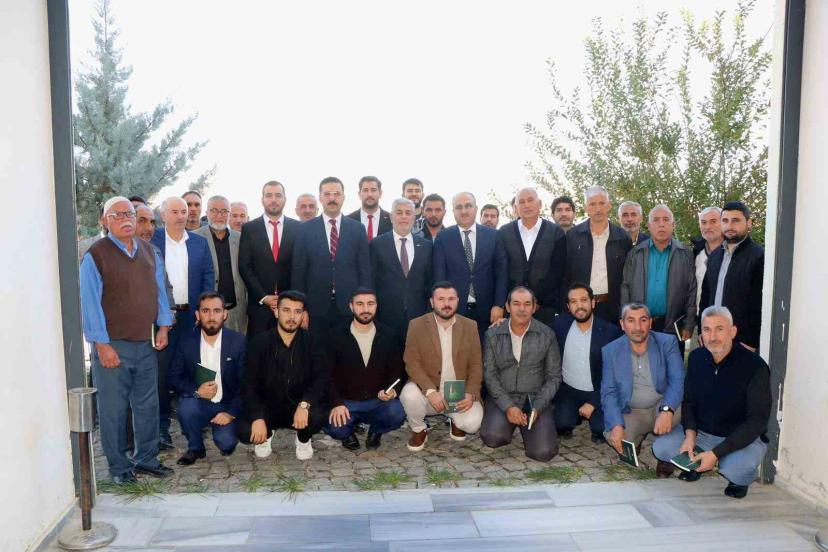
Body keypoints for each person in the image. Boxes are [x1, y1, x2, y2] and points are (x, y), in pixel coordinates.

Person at [79, 196, 173, 484]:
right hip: (112, 345)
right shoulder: (95, 255)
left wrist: (164, 326)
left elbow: (159, 292)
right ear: (105, 221)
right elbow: (89, 303)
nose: (125, 219)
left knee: (147, 405)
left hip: (145, 342)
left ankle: (147, 459)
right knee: (113, 410)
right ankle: (119, 468)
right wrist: (101, 344)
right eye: (117, 215)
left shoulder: (149, 251)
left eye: (129, 213)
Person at [653, 306, 771, 498]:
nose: (713, 336)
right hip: (702, 434)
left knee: (736, 469)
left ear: (733, 331)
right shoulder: (696, 358)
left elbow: (756, 421)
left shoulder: (755, 366)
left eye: (719, 329)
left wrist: (716, 453)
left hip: (739, 438)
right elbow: (689, 402)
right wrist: (690, 435)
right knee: (661, 448)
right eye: (707, 330)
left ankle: (734, 477)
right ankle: (697, 462)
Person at [151, 196, 215, 448]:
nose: (181, 216)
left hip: (193, 316)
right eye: (175, 212)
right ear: (163, 215)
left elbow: (208, 275)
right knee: (161, 373)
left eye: (184, 211)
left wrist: (205, 309)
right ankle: (161, 426)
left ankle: (199, 419)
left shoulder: (199, 242)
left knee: (197, 367)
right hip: (163, 316)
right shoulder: (153, 240)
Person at [237, 290, 328, 460]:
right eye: (286, 310)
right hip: (268, 406)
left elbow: (321, 378)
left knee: (318, 416)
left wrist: (305, 404)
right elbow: (248, 384)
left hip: (298, 405)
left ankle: (303, 438)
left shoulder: (312, 341)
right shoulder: (259, 342)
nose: (292, 317)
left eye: (297, 311)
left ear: (303, 315)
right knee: (244, 431)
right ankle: (266, 433)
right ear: (276, 312)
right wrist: (258, 417)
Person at [601, 302, 684, 476]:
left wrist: (667, 410)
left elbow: (677, 380)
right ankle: (637, 437)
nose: (638, 327)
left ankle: (666, 454)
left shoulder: (667, 342)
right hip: (633, 411)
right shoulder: (610, 351)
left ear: (650, 323)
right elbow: (609, 392)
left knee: (680, 409)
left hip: (661, 403)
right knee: (613, 434)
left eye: (643, 320)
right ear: (622, 324)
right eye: (631, 321)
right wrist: (616, 425)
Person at [480, 287, 562, 461]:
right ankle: (509, 424)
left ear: (534, 307)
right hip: (503, 396)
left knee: (543, 453)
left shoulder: (547, 335)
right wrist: (508, 407)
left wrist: (538, 406)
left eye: (527, 304)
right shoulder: (493, 334)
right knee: (493, 438)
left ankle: (533, 427)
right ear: (507, 307)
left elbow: (554, 376)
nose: (522, 309)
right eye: (516, 304)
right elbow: (490, 375)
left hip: (535, 398)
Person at [401, 282, 484, 451]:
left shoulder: (470, 326)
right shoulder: (416, 325)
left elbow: (476, 364)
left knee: (472, 424)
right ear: (432, 302)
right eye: (441, 299)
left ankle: (455, 420)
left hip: (457, 392)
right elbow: (411, 361)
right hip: (428, 390)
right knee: (409, 396)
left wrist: (471, 393)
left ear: (458, 300)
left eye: (451, 299)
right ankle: (419, 429)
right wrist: (430, 391)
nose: (446, 304)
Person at [168, 292, 246, 465]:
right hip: (199, 402)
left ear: (225, 314)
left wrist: (230, 413)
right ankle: (195, 448)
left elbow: (246, 383)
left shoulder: (238, 342)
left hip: (227, 404)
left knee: (226, 443)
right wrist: (196, 391)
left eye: (217, 311)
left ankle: (223, 433)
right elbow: (174, 377)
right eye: (206, 311)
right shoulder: (186, 342)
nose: (211, 316)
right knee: (186, 407)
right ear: (198, 315)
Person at [324, 289, 406, 450]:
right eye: (360, 304)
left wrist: (392, 390)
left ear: (376, 306)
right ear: (351, 306)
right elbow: (325, 374)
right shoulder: (334, 336)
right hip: (346, 402)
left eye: (370, 303)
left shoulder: (389, 335)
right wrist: (336, 403)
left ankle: (376, 431)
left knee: (396, 413)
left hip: (377, 401)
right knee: (332, 424)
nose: (365, 309)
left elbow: (398, 370)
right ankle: (347, 434)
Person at [291, 176, 371, 337]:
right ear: (320, 197)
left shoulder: (357, 229)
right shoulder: (305, 230)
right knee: (316, 351)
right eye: (327, 194)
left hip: (350, 308)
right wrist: (301, 309)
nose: (332, 198)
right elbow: (298, 273)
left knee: (348, 352)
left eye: (336, 194)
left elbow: (364, 270)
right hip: (315, 309)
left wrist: (364, 306)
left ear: (344, 197)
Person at [552, 282, 623, 443]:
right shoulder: (559, 325)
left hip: (597, 391)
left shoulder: (610, 332)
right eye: (574, 302)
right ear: (568, 307)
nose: (579, 306)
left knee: (600, 429)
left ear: (593, 302)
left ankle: (593, 417)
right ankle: (573, 414)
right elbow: (537, 330)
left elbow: (615, 375)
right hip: (569, 390)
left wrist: (593, 402)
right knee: (562, 423)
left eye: (583, 300)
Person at [433, 192, 507, 341]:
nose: (464, 211)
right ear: (453, 211)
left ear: (476, 208)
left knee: (486, 352)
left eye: (468, 206)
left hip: (488, 311)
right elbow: (439, 275)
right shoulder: (443, 237)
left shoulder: (493, 236)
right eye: (459, 207)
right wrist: (443, 306)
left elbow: (501, 273)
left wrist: (499, 304)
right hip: (454, 310)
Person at [621, 204, 696, 349]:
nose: (661, 224)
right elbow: (625, 288)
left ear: (673, 225)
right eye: (656, 220)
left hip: (672, 326)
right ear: (649, 226)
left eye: (666, 219)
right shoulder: (635, 253)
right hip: (640, 325)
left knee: (672, 363)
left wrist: (689, 323)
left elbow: (691, 291)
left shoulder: (685, 254)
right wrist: (626, 319)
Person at [699, 200, 764, 351]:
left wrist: (752, 340)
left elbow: (759, 303)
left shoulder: (759, 256)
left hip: (742, 341)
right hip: (712, 337)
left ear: (749, 223)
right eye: (725, 221)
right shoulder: (715, 256)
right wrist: (703, 329)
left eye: (735, 220)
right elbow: (706, 296)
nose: (729, 226)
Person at [238, 181, 300, 337]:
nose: (273, 200)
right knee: (259, 350)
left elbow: (300, 267)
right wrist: (263, 297)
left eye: (278, 195)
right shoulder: (249, 228)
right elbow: (244, 266)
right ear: (262, 199)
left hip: (291, 307)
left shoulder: (298, 228)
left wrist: (290, 298)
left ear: (285, 199)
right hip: (260, 307)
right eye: (269, 195)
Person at [499, 187, 567, 325]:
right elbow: (501, 270)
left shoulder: (556, 232)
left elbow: (558, 270)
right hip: (513, 308)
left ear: (540, 204)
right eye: (522, 202)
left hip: (545, 308)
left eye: (530, 200)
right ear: (516, 208)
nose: (526, 205)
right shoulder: (504, 233)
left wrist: (534, 298)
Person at [565, 186, 632, 322]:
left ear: (609, 205)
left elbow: (628, 277)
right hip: (581, 307)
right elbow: (565, 274)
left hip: (612, 307)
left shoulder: (623, 237)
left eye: (602, 203)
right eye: (592, 204)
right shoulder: (573, 236)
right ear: (585, 207)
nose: (598, 209)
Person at [370, 198, 433, 343]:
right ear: (391, 217)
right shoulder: (377, 244)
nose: (404, 216)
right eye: (399, 213)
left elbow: (430, 282)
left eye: (408, 213)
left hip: (419, 317)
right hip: (385, 318)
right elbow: (371, 281)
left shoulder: (427, 247)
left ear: (414, 217)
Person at [194, 195, 248, 334]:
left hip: (236, 310)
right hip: (207, 312)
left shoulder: (241, 239)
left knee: (236, 346)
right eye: (214, 210)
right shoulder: (194, 238)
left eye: (224, 211)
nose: (219, 215)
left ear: (229, 214)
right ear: (206, 213)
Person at [691, 207, 723, 312]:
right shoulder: (696, 253)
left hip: (727, 318)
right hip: (699, 317)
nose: (708, 226)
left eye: (713, 221)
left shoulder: (735, 253)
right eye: (703, 222)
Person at [347, 176, 392, 241]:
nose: (369, 194)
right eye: (365, 190)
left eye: (373, 190)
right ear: (359, 194)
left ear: (380, 193)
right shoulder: (348, 220)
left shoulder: (392, 220)